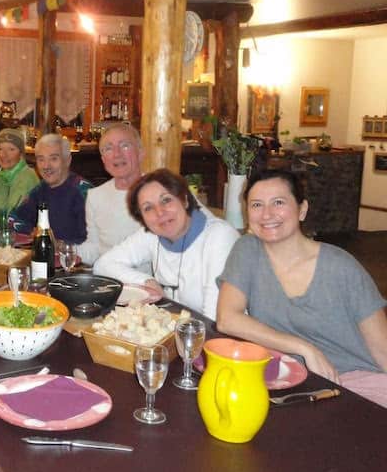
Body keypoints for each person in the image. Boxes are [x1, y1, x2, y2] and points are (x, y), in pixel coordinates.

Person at [216, 170, 387, 406]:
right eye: (257, 204)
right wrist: (305, 349)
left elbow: (382, 349)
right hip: (295, 383)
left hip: (357, 381)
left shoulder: (341, 266)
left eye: (278, 202)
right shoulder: (248, 250)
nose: (267, 214)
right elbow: (227, 319)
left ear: (302, 209)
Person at [93, 169, 239, 319]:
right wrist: (146, 281)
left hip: (212, 331)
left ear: (185, 200)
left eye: (166, 200)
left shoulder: (219, 236)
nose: (159, 212)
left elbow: (214, 319)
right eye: (148, 208)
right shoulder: (152, 234)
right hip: (178, 326)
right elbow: (102, 265)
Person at [78, 122, 143, 265]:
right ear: (103, 160)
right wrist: (64, 250)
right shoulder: (95, 196)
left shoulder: (159, 192)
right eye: (108, 149)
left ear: (140, 153)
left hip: (147, 278)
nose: (117, 154)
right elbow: (94, 249)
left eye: (124, 145)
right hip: (108, 276)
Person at [10, 133, 92, 243]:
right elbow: (12, 219)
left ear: (67, 160)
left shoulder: (83, 192)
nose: (46, 166)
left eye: (53, 159)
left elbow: (92, 241)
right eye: (41, 159)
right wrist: (32, 231)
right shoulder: (40, 190)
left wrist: (58, 244)